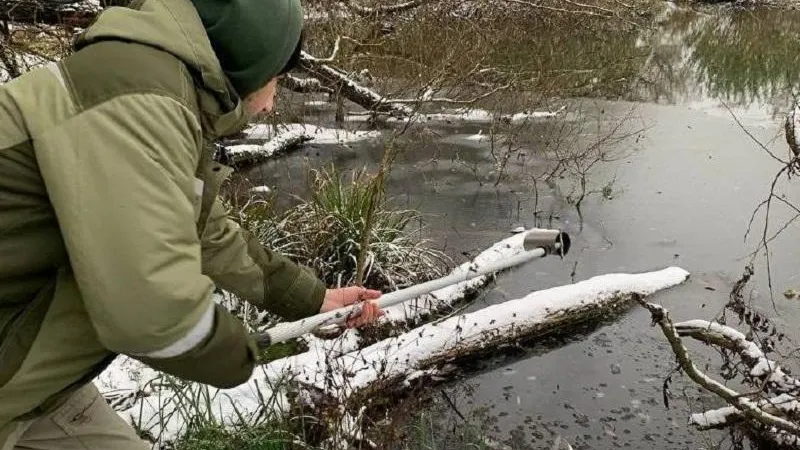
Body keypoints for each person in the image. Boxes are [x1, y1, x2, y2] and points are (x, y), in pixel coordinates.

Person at [0, 0, 383, 448]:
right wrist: (238, 352)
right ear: (249, 59)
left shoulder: (150, 86)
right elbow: (149, 312)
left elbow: (206, 233)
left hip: (31, 380)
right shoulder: (137, 100)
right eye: (276, 79)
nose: (272, 103)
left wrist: (314, 299)